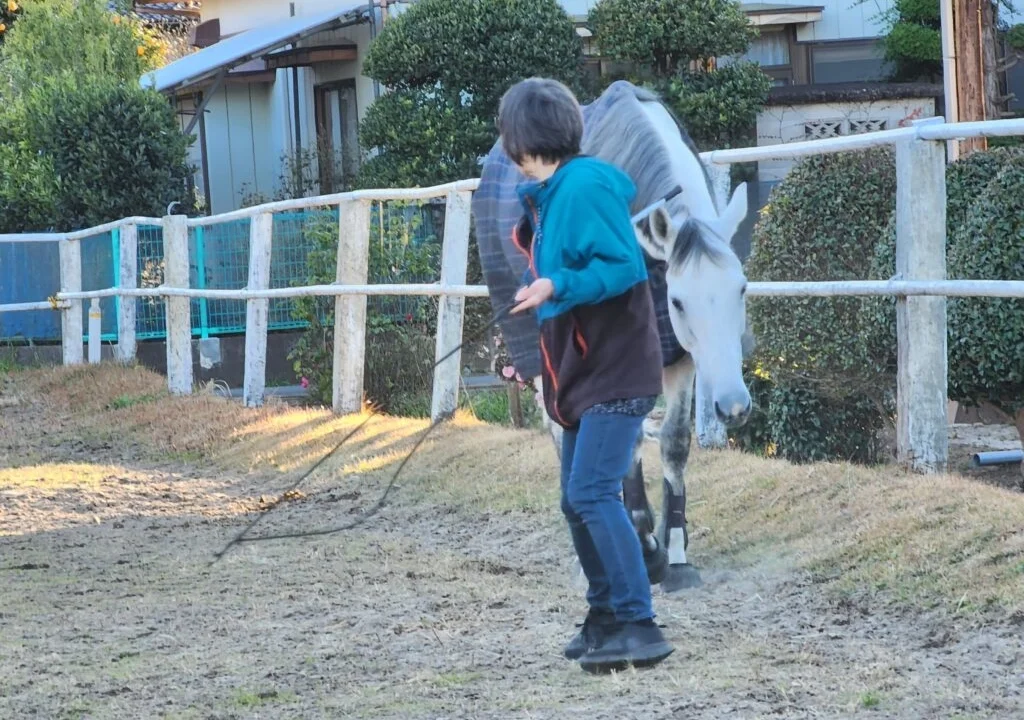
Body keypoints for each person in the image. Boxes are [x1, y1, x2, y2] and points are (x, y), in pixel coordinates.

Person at [499, 77, 674, 673]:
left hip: (616, 371)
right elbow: (563, 275)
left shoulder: (586, 185)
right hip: (585, 374)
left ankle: (639, 623)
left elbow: (623, 267)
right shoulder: (551, 196)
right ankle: (604, 615)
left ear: (520, 139)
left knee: (592, 492)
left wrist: (557, 285)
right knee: (576, 500)